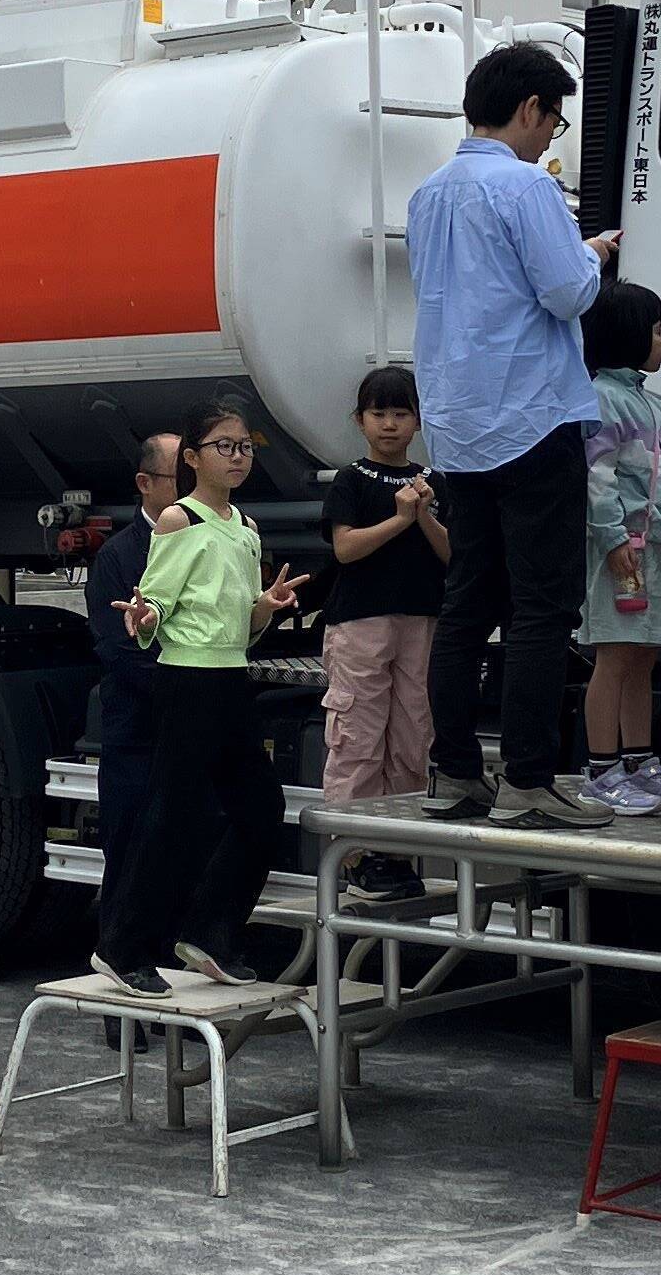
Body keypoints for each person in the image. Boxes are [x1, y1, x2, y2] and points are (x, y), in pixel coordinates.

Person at [408, 40, 621, 834]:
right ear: (530, 108)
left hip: (457, 422)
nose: (549, 138)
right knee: (542, 607)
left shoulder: (428, 193)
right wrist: (590, 254)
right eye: (553, 121)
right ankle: (529, 780)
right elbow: (565, 293)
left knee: (467, 603)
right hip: (531, 414)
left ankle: (455, 772)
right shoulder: (527, 185)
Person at [93, 394, 305, 999]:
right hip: (186, 679)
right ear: (192, 457)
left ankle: (211, 932)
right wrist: (144, 616)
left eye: (244, 447)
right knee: (172, 817)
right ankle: (122, 947)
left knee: (260, 808)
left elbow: (243, 624)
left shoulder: (246, 528)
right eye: (223, 447)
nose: (237, 457)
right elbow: (158, 601)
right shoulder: (177, 520)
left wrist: (265, 607)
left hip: (231, 677)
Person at [317, 361, 448, 902]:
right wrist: (400, 519)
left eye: (401, 413)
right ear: (360, 420)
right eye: (378, 414)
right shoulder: (351, 478)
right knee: (358, 737)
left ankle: (397, 849)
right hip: (361, 621)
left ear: (418, 420)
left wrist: (424, 515)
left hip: (421, 619)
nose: (389, 424)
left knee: (414, 737)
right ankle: (354, 855)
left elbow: (452, 555)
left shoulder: (433, 482)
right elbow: (345, 548)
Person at [577, 278, 661, 818]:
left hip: (658, 545)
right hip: (625, 548)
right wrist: (612, 537)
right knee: (616, 653)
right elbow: (597, 476)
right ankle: (601, 770)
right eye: (657, 330)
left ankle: (639, 761)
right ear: (628, 336)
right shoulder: (603, 397)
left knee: (644, 654)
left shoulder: (648, 401)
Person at [86, 432, 183, 893]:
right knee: (131, 853)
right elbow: (116, 645)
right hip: (138, 725)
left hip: (192, 724)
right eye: (179, 477)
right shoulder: (118, 554)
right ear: (145, 483)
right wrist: (181, 688)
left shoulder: (212, 540)